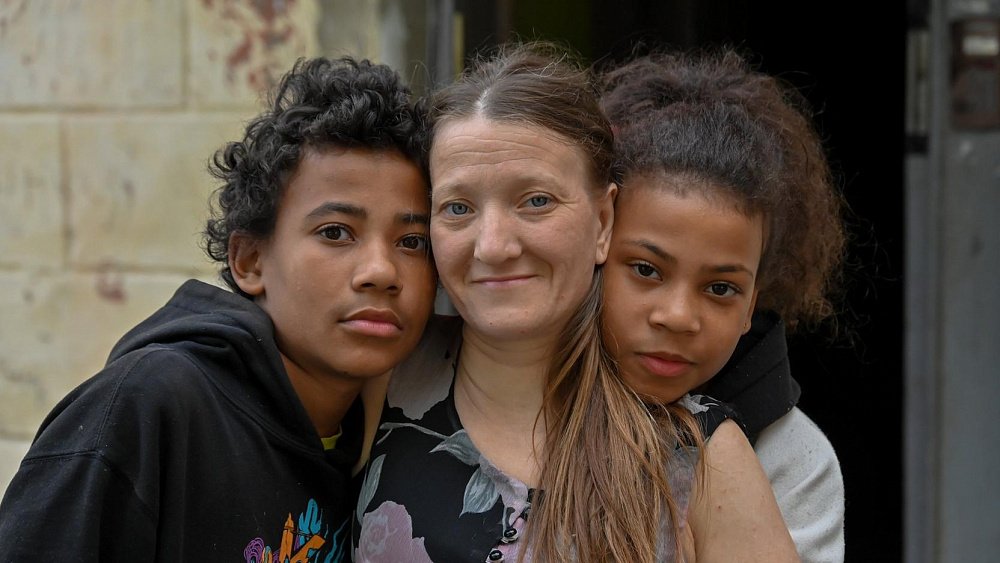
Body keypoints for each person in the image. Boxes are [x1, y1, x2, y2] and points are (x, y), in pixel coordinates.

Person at [353, 42, 797, 562]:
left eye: (536, 201)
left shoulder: (700, 456)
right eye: (457, 207)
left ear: (603, 221)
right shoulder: (383, 375)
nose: (493, 246)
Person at [0, 57, 436, 561]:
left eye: (412, 241)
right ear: (249, 261)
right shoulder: (148, 407)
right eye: (335, 232)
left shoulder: (383, 437)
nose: (381, 271)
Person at [599, 48, 847, 562]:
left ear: (751, 305)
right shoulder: (507, 391)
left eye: (719, 289)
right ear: (594, 247)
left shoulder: (793, 460)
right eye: (646, 269)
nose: (677, 317)